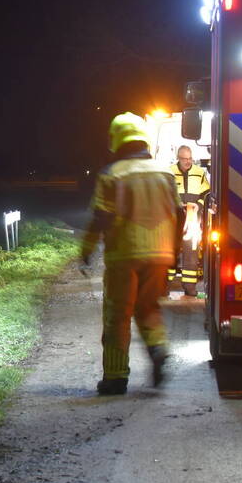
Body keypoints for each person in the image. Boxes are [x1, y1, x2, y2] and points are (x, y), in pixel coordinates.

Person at [80, 112, 183, 395]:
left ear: (116, 140)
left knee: (118, 314)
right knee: (149, 308)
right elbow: (180, 212)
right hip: (160, 253)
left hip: (124, 254)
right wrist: (173, 250)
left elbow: (101, 215)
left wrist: (87, 248)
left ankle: (115, 377)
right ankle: (158, 348)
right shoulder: (164, 171)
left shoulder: (112, 174)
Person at [170, 145, 210, 297]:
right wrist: (178, 206)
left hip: (192, 221)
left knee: (191, 253)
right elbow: (165, 194)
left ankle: (190, 287)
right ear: (178, 158)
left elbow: (206, 194)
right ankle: (165, 285)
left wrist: (197, 206)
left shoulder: (199, 173)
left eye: (189, 158)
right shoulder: (170, 172)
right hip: (174, 219)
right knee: (170, 251)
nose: (188, 162)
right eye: (184, 159)